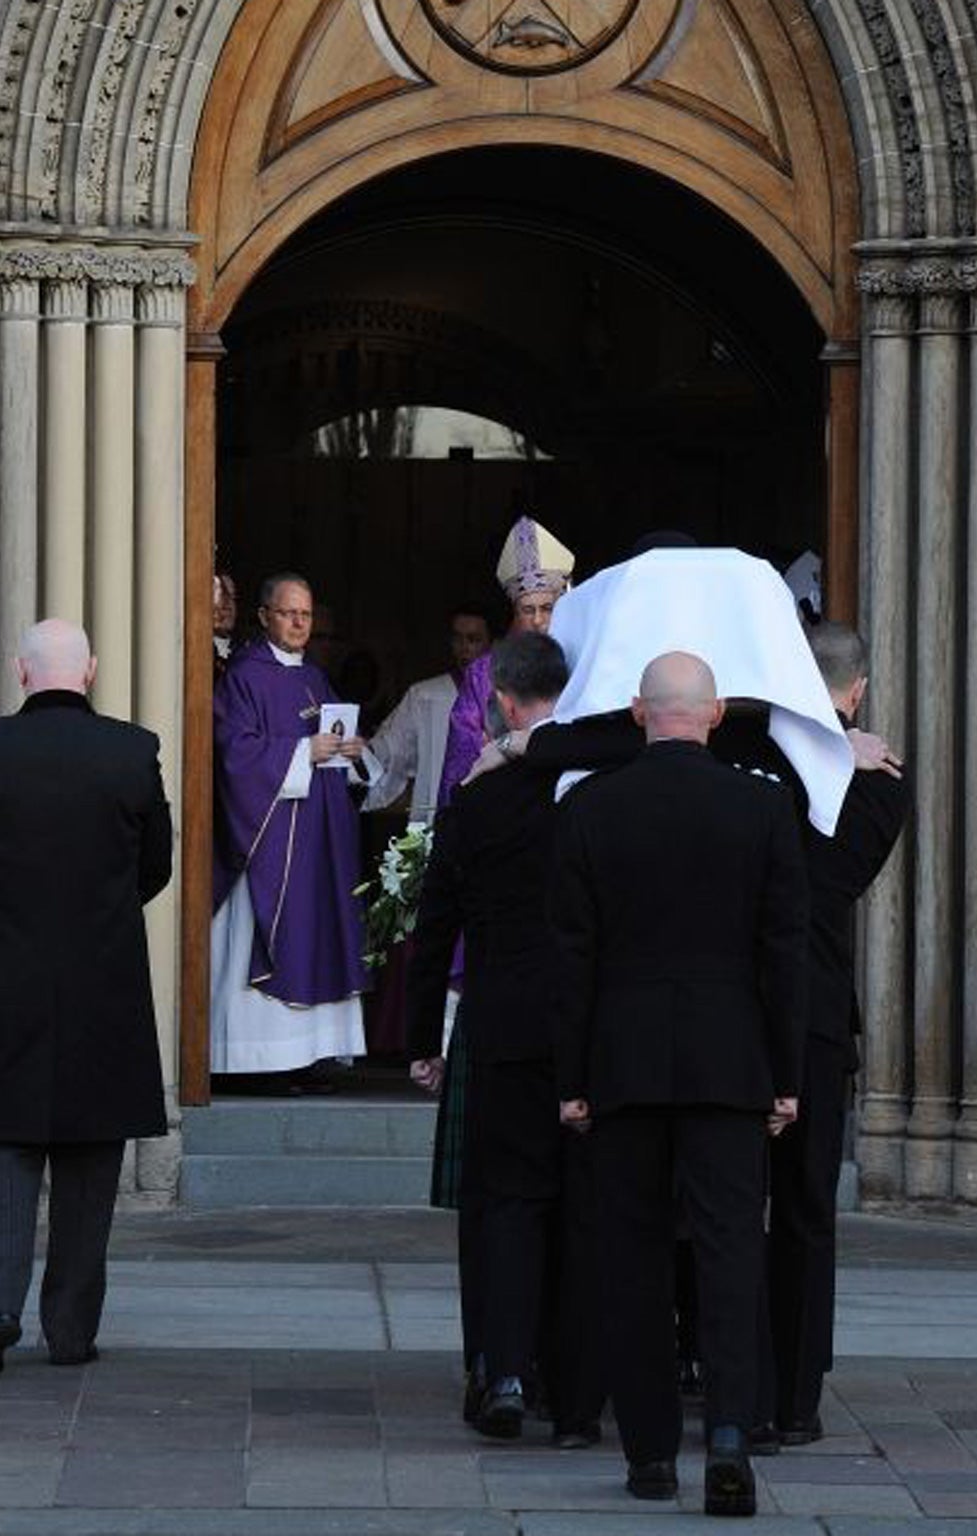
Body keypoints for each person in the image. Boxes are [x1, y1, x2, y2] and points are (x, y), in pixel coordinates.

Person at [551, 652, 807, 1518]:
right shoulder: (764, 806)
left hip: (622, 1064)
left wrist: (572, 1077)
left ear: (636, 714)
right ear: (717, 712)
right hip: (731, 1063)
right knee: (733, 1253)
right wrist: (785, 1075)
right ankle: (729, 1432)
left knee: (632, 1257)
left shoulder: (591, 806)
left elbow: (572, 954)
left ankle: (651, 1454)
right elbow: (784, 951)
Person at [0, 619, 174, 1376]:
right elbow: (155, 867)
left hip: (5, 978)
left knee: (2, 1153)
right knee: (89, 1162)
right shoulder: (133, 751)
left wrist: (9, 911)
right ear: (92, 672)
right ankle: (69, 1329)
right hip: (102, 981)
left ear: (20, 672)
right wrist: (97, 912)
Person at [406, 632, 597, 1445]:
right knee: (577, 1206)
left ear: (508, 704)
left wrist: (423, 1038)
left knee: (506, 1204)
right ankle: (569, 1380)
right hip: (587, 1028)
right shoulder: (598, 789)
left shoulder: (480, 800)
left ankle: (503, 1367)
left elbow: (433, 925)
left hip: (501, 1022)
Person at [764, 622, 907, 1446]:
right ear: (856, 692)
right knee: (802, 1212)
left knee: (779, 1208)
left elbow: (808, 885)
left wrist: (809, 758)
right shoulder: (862, 775)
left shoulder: (761, 771)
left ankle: (775, 1389)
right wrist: (824, 756)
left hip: (787, 1016)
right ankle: (791, 1392)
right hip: (809, 1022)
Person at [210, 572, 379, 1080]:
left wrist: (352, 752)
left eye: (305, 614)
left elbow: (335, 747)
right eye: (288, 613)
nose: (299, 623)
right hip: (271, 839)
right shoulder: (243, 676)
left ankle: (310, 1056)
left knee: (319, 930)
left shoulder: (315, 678)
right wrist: (304, 751)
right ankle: (258, 1059)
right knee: (275, 936)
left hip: (318, 838)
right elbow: (233, 755)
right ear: (264, 617)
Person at [439, 517, 574, 802]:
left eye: (547, 608)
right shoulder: (482, 672)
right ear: (514, 611)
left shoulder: (580, 658)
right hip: (503, 795)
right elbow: (463, 744)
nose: (538, 620)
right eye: (528, 609)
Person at [367, 603, 492, 827]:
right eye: (457, 638)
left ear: (492, 643)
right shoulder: (425, 695)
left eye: (473, 639)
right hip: (437, 815)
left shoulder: (507, 693)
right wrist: (363, 754)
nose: (464, 648)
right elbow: (393, 747)